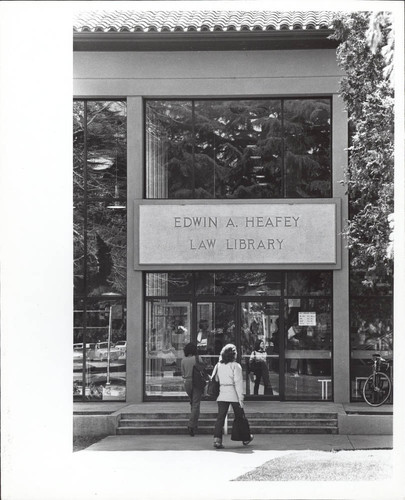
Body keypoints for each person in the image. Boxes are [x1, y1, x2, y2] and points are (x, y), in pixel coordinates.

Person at [213, 343, 253, 449]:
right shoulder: (236, 366)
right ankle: (246, 438)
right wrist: (241, 398)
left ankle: (217, 440)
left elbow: (215, 379)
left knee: (220, 418)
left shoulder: (218, 365)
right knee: (240, 417)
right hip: (234, 394)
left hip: (222, 394)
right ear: (233, 355)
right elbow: (238, 383)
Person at [181, 342, 204, 436]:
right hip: (197, 382)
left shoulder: (183, 360)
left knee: (193, 403)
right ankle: (191, 425)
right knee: (196, 404)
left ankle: (194, 425)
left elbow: (182, 374)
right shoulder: (198, 358)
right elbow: (203, 369)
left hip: (187, 382)